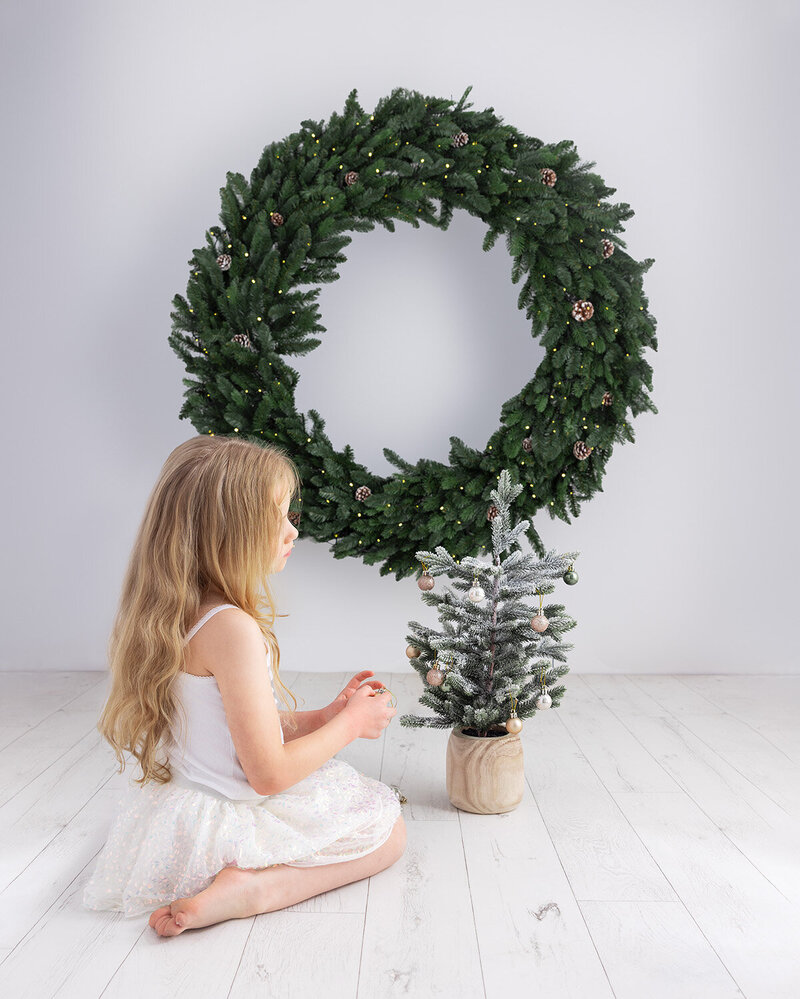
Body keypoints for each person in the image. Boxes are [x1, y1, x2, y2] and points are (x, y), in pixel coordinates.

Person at [83, 434, 406, 936]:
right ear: (230, 532)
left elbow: (235, 729)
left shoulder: (177, 615)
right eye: (278, 516)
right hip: (235, 814)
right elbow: (268, 775)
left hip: (188, 808)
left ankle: (238, 883)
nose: (291, 529)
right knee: (389, 834)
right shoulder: (232, 629)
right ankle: (255, 888)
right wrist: (350, 726)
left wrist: (323, 717)